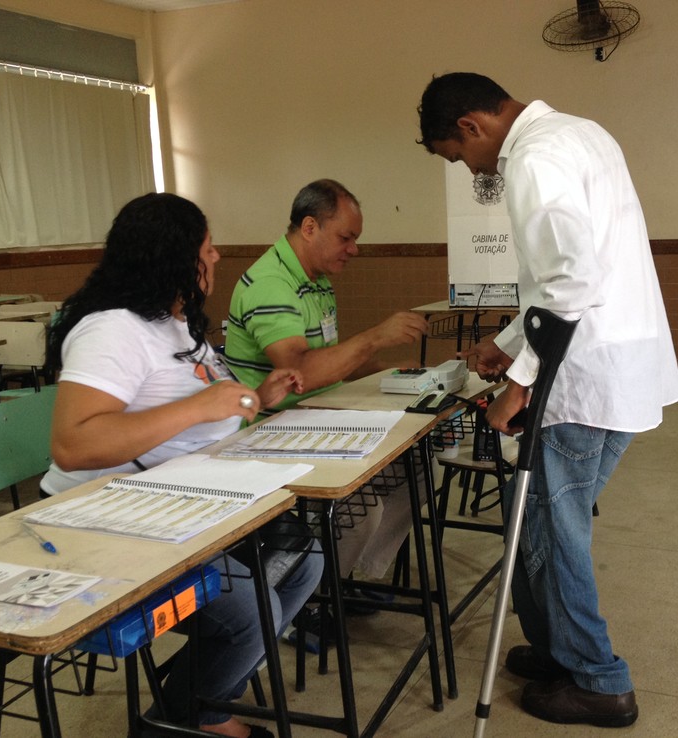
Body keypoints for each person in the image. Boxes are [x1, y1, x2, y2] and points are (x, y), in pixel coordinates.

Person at [417, 73, 678, 728]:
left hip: (584, 376)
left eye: (459, 156)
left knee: (551, 526)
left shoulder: (533, 158)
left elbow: (568, 280)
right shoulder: (581, 133)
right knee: (533, 518)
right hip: (614, 361)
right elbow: (569, 276)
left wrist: (519, 383)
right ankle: (561, 651)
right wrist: (508, 344)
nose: (471, 169)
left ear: (472, 128)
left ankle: (598, 679)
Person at [41, 193, 323, 738]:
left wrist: (256, 398)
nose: (216, 258)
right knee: (248, 611)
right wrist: (200, 406)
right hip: (101, 521)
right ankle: (193, 716)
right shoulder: (111, 330)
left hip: (183, 504)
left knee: (302, 556)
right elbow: (73, 444)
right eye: (208, 249)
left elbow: (204, 406)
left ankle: (191, 707)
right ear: (172, 258)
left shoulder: (174, 322)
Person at [224, 179, 429, 579]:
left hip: (318, 416)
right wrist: (374, 337)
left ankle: (355, 577)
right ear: (309, 227)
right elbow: (300, 372)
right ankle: (316, 600)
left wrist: (399, 377)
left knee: (416, 473)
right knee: (361, 509)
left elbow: (333, 361)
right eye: (346, 238)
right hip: (274, 426)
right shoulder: (271, 283)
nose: (353, 249)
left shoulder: (315, 278)